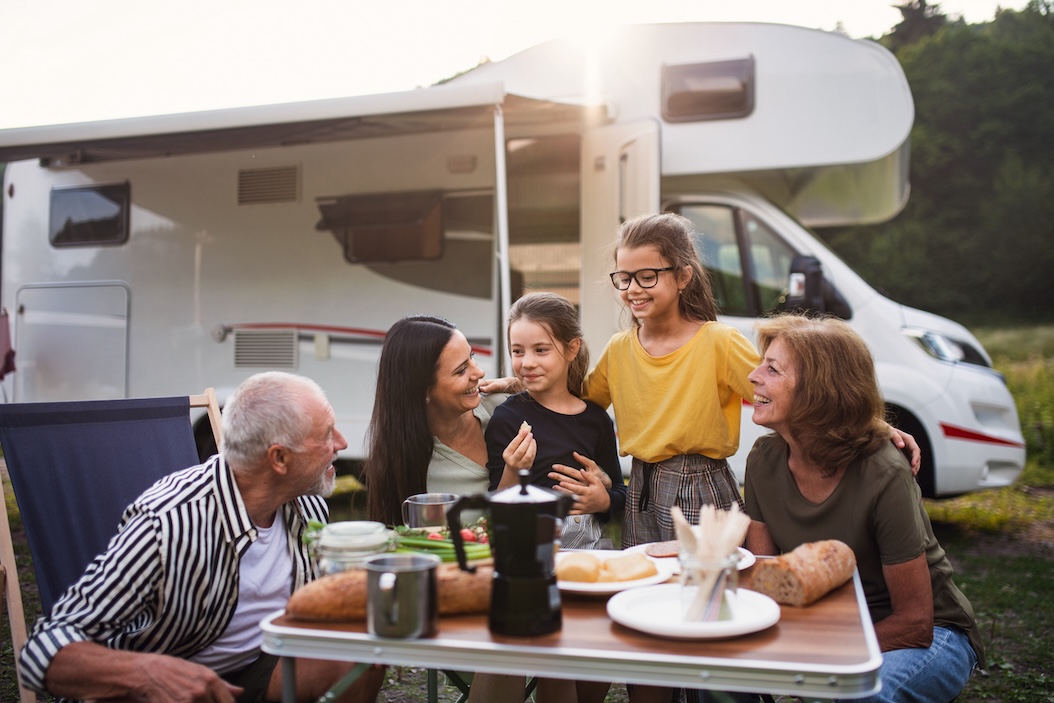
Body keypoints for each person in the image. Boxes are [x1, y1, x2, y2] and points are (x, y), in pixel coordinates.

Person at [19, 371, 385, 703]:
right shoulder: (167, 523)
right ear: (279, 458)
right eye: (326, 434)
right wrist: (148, 673)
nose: (341, 442)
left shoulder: (307, 506)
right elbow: (43, 649)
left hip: (259, 667)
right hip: (167, 685)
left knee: (362, 653)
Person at [743, 314, 984, 703]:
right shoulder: (762, 460)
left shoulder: (884, 470)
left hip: (934, 635)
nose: (754, 376)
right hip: (832, 625)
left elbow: (916, 623)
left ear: (818, 390)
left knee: (860, 694)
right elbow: (765, 581)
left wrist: (816, 651)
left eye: (772, 369)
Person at [485, 292, 627, 550]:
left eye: (541, 350)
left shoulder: (596, 420)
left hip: (590, 554)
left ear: (571, 348)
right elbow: (497, 503)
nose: (527, 362)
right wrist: (513, 470)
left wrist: (603, 501)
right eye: (517, 351)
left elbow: (619, 490)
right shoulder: (507, 419)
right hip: (527, 553)